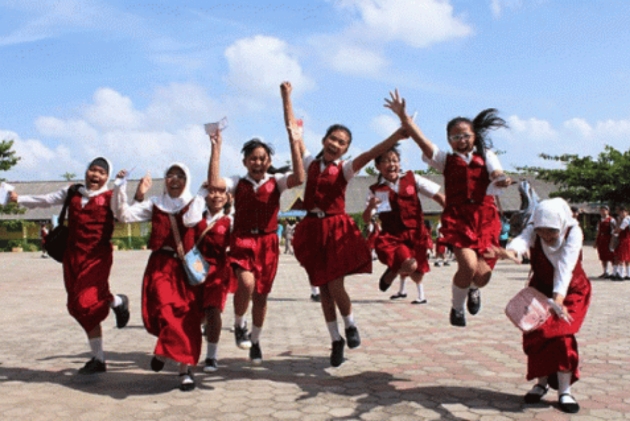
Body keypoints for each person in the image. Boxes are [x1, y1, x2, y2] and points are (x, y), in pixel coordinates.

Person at [385, 89, 512, 327]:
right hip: (459, 219)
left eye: (465, 135)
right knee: (467, 265)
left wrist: (501, 178)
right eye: (455, 137)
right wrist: (405, 119)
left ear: (474, 136)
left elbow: (497, 172)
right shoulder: (444, 160)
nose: (461, 140)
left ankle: (474, 289)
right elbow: (421, 141)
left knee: (482, 275)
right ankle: (456, 309)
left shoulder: (487, 156)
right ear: (448, 140)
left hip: (485, 219)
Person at [292, 116, 409, 367]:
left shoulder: (344, 169)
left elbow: (371, 153)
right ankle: (336, 340)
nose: (336, 144)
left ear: (346, 149)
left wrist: (395, 137)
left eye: (342, 142)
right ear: (324, 140)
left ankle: (350, 324)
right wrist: (286, 97)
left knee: (335, 285)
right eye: (333, 138)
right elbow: (295, 135)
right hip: (312, 230)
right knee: (323, 290)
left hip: (335, 230)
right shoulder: (310, 162)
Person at [207, 81, 305, 365]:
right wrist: (216, 147)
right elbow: (215, 182)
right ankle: (239, 324)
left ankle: (256, 341)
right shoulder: (238, 183)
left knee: (261, 297)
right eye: (253, 158)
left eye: (262, 158)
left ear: (268, 160)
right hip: (243, 241)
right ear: (246, 161)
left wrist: (294, 140)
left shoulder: (276, 183)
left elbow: (299, 178)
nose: (258, 162)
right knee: (246, 284)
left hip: (269, 242)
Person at [10, 157, 130, 374]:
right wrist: (18, 199)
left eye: (101, 173)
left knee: (87, 302)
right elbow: (44, 200)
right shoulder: (73, 191)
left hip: (97, 257)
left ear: (107, 177)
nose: (95, 175)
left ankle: (116, 301)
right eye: (92, 170)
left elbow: (122, 213)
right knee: (76, 307)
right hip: (72, 257)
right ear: (86, 172)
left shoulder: (110, 197)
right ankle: (98, 357)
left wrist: (121, 188)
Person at [491, 198, 591, 414]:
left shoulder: (573, 232)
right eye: (542, 230)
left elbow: (565, 267)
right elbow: (522, 241)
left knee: (561, 335)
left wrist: (557, 300)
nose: (546, 235)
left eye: (551, 231)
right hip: (540, 289)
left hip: (570, 291)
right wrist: (511, 252)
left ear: (561, 224)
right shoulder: (534, 228)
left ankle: (565, 391)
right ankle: (541, 383)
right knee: (537, 336)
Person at [113, 163, 205, 391]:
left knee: (188, 319)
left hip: (186, 269)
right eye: (170, 175)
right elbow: (123, 215)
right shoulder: (155, 204)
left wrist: (200, 195)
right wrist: (120, 188)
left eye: (181, 176)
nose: (175, 180)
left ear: (188, 179)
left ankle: (184, 370)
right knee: (165, 310)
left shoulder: (195, 203)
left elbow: (191, 221)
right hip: (161, 267)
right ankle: (165, 351)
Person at [362, 144, 445, 305]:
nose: (391, 164)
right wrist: (371, 207)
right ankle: (395, 269)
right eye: (386, 161)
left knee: (419, 266)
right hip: (393, 236)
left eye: (395, 160)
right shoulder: (375, 189)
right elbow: (366, 219)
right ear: (378, 166)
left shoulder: (412, 178)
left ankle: (420, 294)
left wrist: (452, 213)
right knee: (409, 263)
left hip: (417, 232)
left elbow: (438, 196)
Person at [197, 185, 234, 373]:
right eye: (212, 192)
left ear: (228, 197)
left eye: (221, 192)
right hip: (196, 269)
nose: (217, 196)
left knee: (213, 311)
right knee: (196, 313)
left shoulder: (230, 221)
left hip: (219, 270)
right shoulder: (196, 217)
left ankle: (211, 356)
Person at [594, 205, 615, 279]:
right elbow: (598, 231)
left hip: (608, 238)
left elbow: (614, 231)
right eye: (601, 210)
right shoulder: (600, 221)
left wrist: (613, 241)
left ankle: (614, 272)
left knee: (611, 256)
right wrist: (596, 241)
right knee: (602, 256)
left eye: (604, 210)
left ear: (608, 211)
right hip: (601, 239)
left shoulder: (611, 220)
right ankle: (605, 271)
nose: (603, 212)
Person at [612, 206, 630, 280]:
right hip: (626, 239)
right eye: (621, 212)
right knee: (627, 258)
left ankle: (621, 275)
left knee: (621, 257)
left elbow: (619, 230)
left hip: (624, 240)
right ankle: (628, 274)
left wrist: (615, 229)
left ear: (626, 212)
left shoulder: (626, 220)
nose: (622, 214)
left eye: (623, 212)